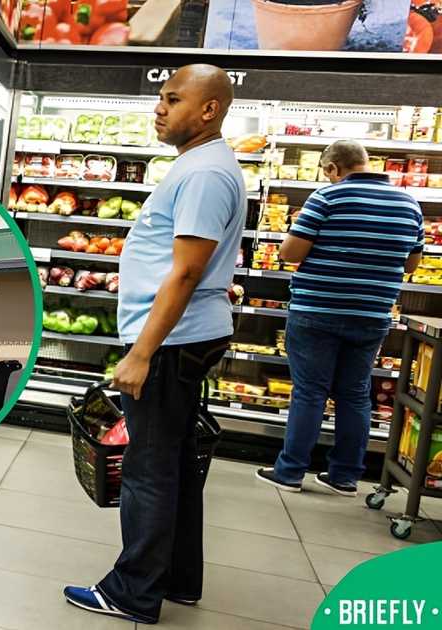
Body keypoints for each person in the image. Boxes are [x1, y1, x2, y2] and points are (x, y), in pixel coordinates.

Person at [63, 64, 245, 625]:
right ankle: (178, 579)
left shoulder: (205, 174)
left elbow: (186, 273)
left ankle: (133, 592)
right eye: (160, 98)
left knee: (149, 468)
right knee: (177, 464)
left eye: (172, 98)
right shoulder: (202, 166)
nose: (159, 108)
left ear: (209, 109)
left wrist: (141, 352)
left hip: (171, 343)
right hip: (185, 336)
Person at [257, 140, 424, 497]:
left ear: (334, 168)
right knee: (355, 394)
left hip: (319, 309)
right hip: (372, 313)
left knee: (310, 392)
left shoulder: (327, 198)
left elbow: (289, 254)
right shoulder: (409, 204)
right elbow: (411, 264)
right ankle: (345, 476)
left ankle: (290, 472)